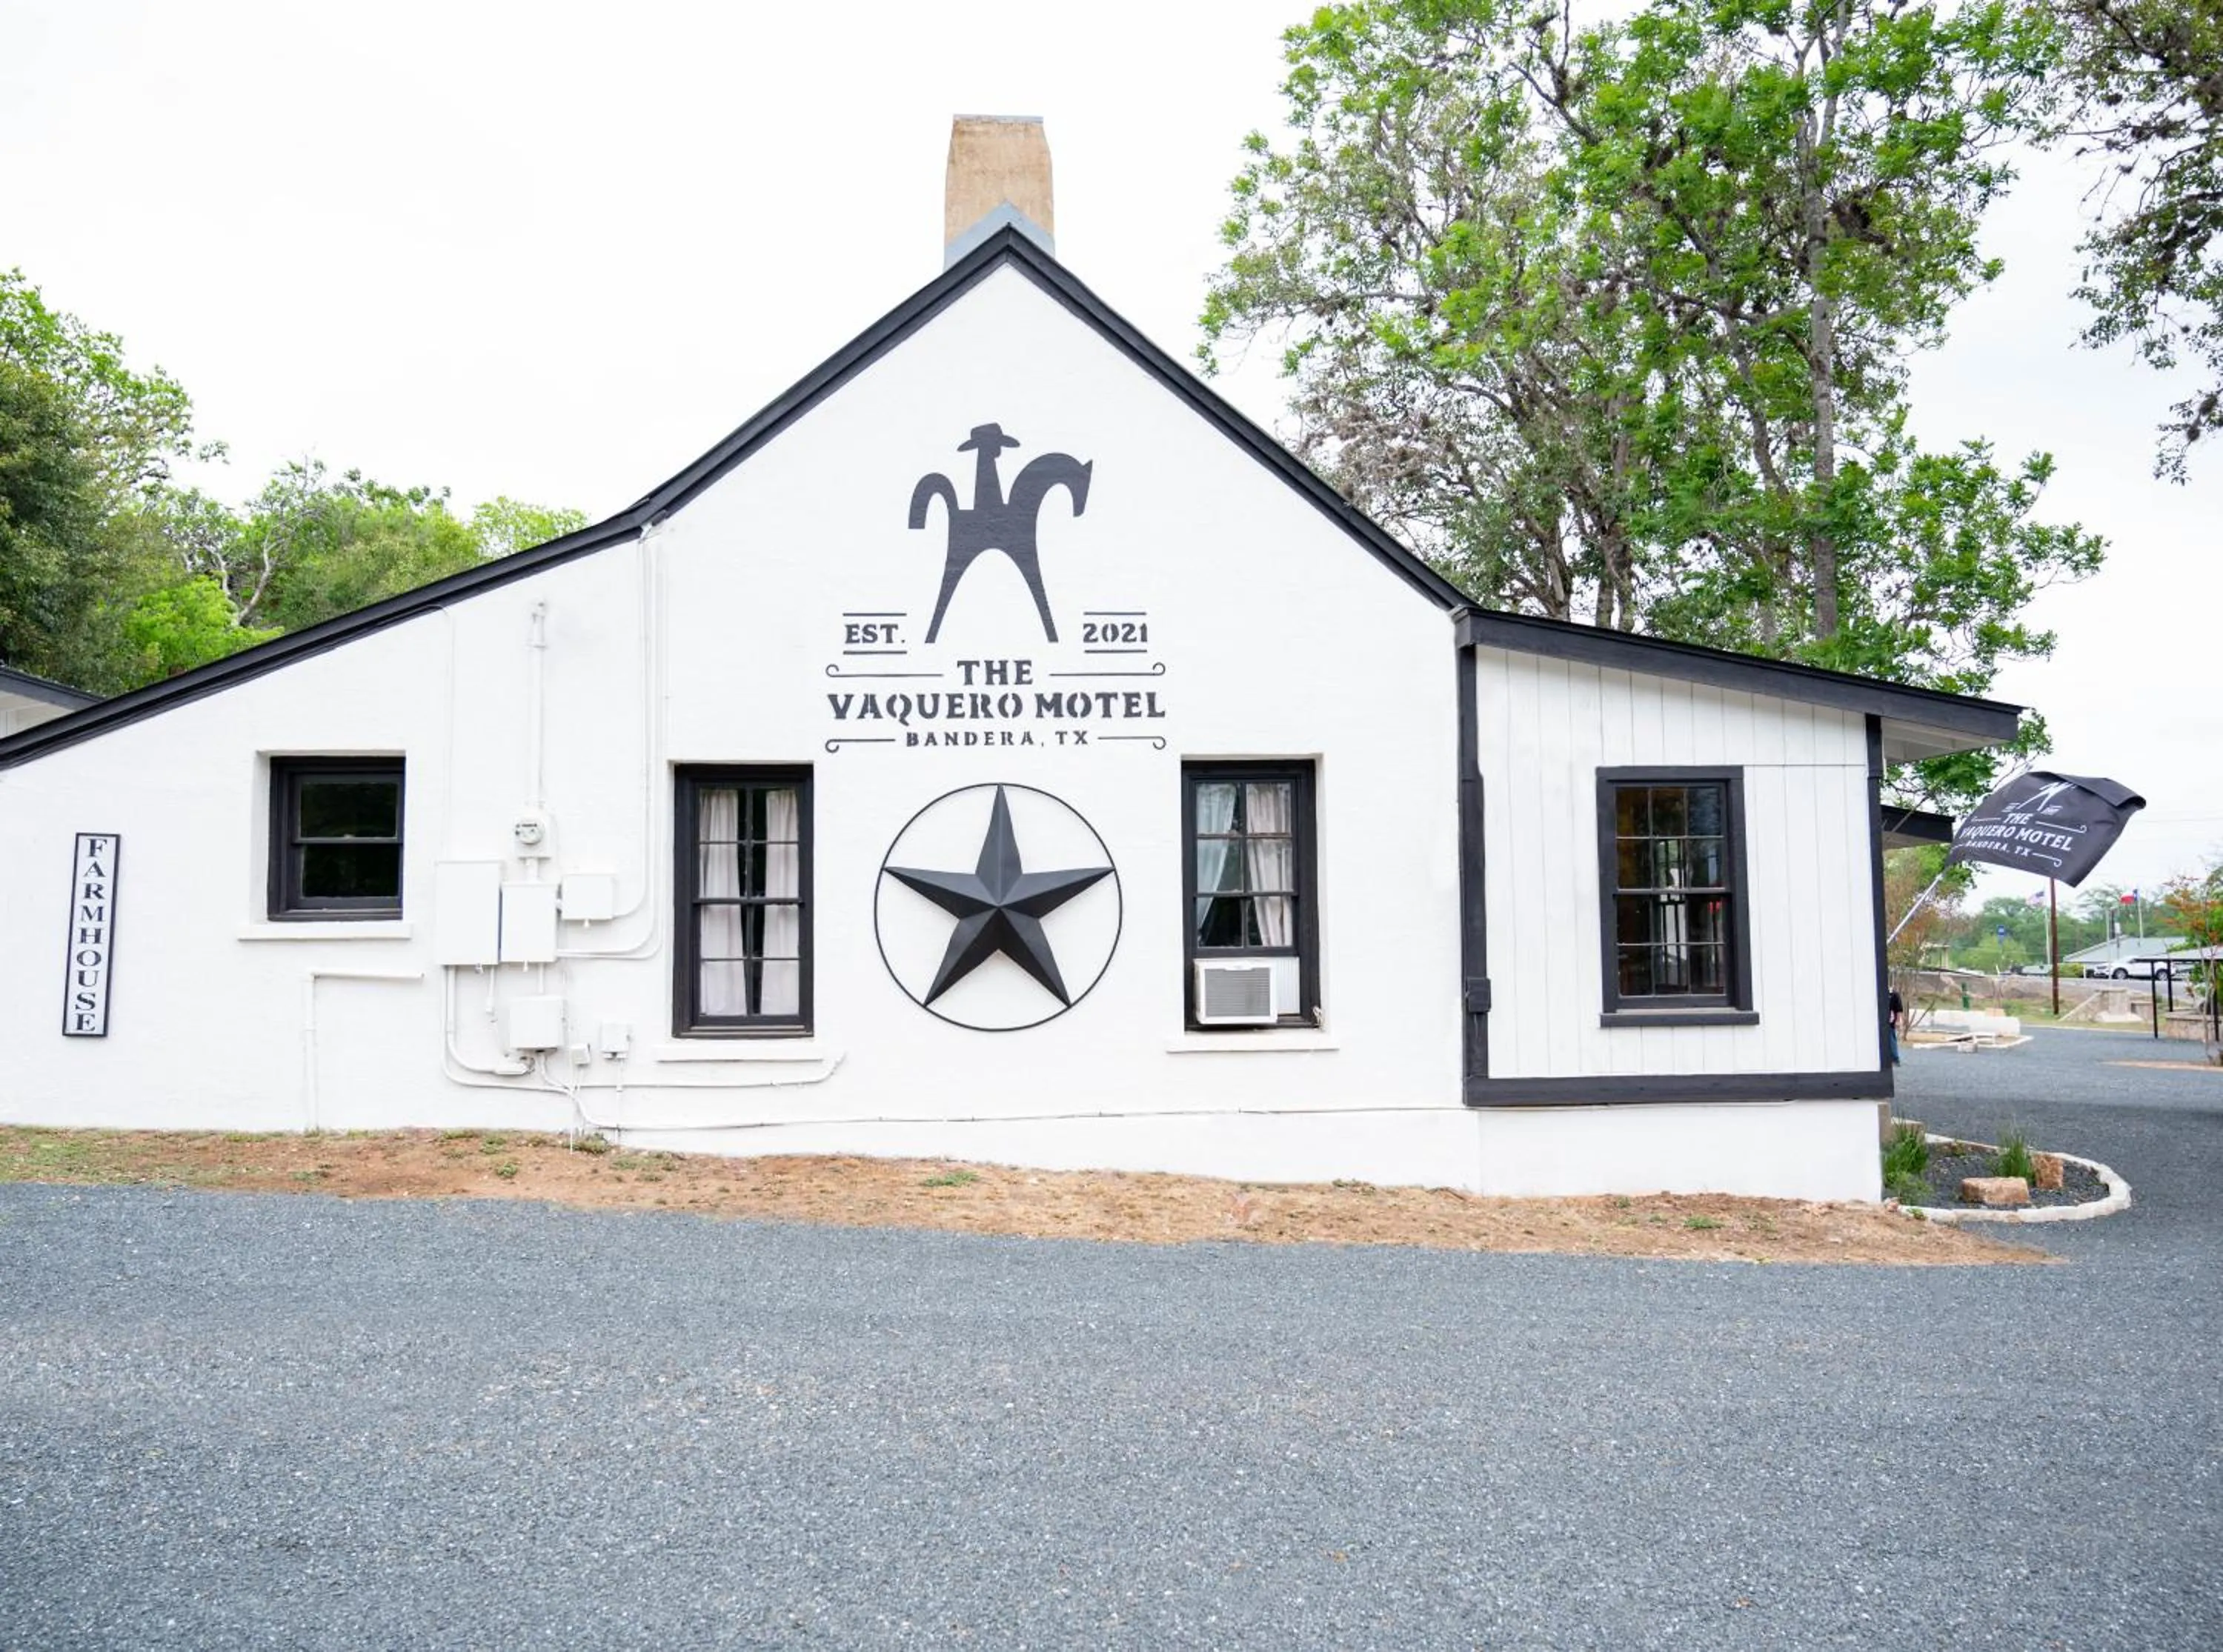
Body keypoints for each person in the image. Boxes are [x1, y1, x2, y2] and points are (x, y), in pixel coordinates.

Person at [1886, 986, 1905, 1065]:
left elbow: (1899, 1010)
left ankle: (1895, 1058)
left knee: (1891, 1039)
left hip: (1890, 1021)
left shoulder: (1894, 995)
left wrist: (1898, 1021)